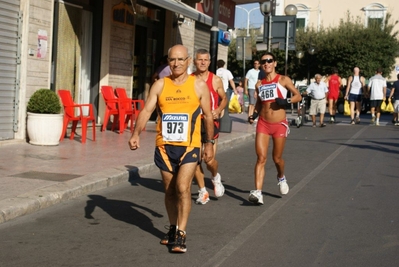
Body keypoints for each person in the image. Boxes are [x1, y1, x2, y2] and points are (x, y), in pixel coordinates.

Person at [128, 45, 214, 253]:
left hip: (190, 146)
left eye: (180, 59)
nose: (176, 64)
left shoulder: (199, 85)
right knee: (169, 191)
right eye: (172, 60)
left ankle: (181, 234)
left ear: (188, 60)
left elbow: (208, 116)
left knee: (183, 187)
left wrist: (208, 143)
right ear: (168, 61)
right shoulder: (159, 85)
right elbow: (147, 110)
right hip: (165, 146)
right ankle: (173, 228)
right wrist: (136, 133)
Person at [248, 52, 302, 205]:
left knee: (276, 158)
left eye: (269, 61)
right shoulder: (259, 84)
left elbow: (298, 95)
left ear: (275, 63)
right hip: (263, 124)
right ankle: (258, 192)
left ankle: (281, 177)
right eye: (264, 61)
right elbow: (259, 102)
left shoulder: (283, 80)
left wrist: (286, 101)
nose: (267, 64)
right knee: (261, 158)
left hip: (279, 124)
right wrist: (254, 115)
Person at [191, 49, 227, 205]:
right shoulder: (189, 79)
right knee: (193, 160)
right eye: (200, 60)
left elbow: (224, 98)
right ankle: (203, 191)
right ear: (194, 61)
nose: (203, 62)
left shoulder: (215, 80)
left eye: (206, 60)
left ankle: (215, 177)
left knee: (209, 159)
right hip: (193, 124)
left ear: (210, 62)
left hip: (210, 123)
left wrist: (218, 110)